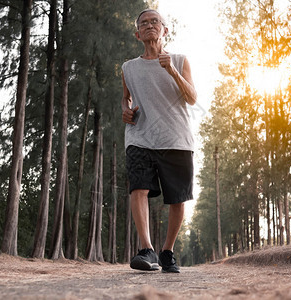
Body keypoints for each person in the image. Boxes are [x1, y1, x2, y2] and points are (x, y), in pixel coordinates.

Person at [121, 8, 197, 273]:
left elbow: (192, 97)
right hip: (140, 136)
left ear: (165, 30)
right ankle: (147, 249)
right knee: (138, 188)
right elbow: (126, 97)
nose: (150, 25)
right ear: (137, 33)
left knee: (177, 198)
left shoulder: (180, 59)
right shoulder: (128, 67)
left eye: (155, 22)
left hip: (175, 137)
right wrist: (125, 109)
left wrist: (173, 71)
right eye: (144, 23)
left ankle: (167, 252)